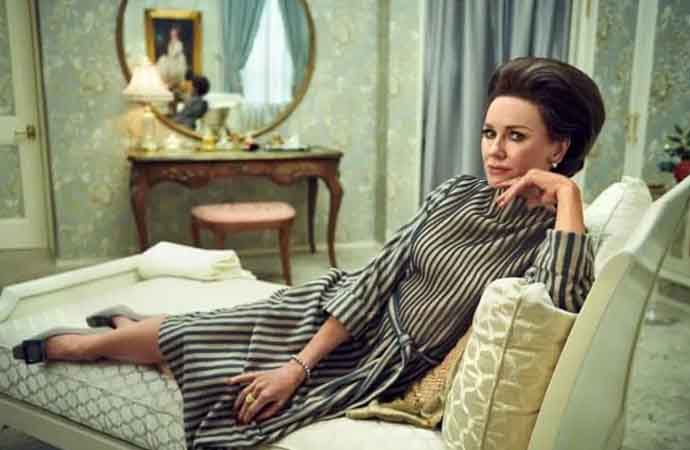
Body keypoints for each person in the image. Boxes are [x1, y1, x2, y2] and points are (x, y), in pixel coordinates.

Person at [14, 57, 605, 449]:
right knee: (207, 333)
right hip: (341, 314)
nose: (494, 151)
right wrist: (298, 365)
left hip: (380, 362)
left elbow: (555, 310)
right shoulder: (455, 193)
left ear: (558, 147)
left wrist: (568, 200)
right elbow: (378, 275)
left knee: (230, 386)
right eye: (489, 133)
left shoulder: (555, 236)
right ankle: (86, 345)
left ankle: (130, 331)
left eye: (516, 136)